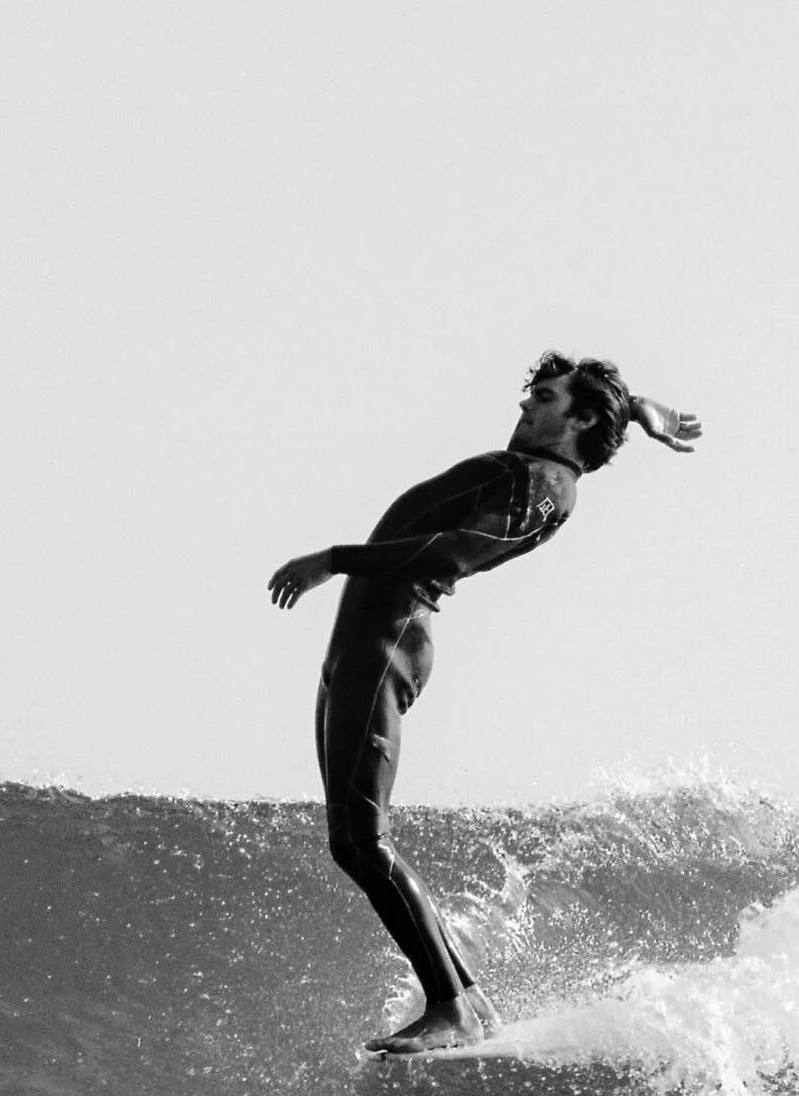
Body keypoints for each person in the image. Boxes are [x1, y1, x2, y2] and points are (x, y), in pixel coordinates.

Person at [268, 352, 702, 1055]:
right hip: (358, 648)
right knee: (351, 845)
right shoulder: (534, 468)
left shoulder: (543, 485)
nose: (524, 407)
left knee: (365, 841)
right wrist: (644, 411)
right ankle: (468, 1004)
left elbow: (451, 551)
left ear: (580, 418)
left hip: (386, 645)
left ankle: (453, 1008)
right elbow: (597, 415)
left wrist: (335, 558)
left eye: (543, 398)